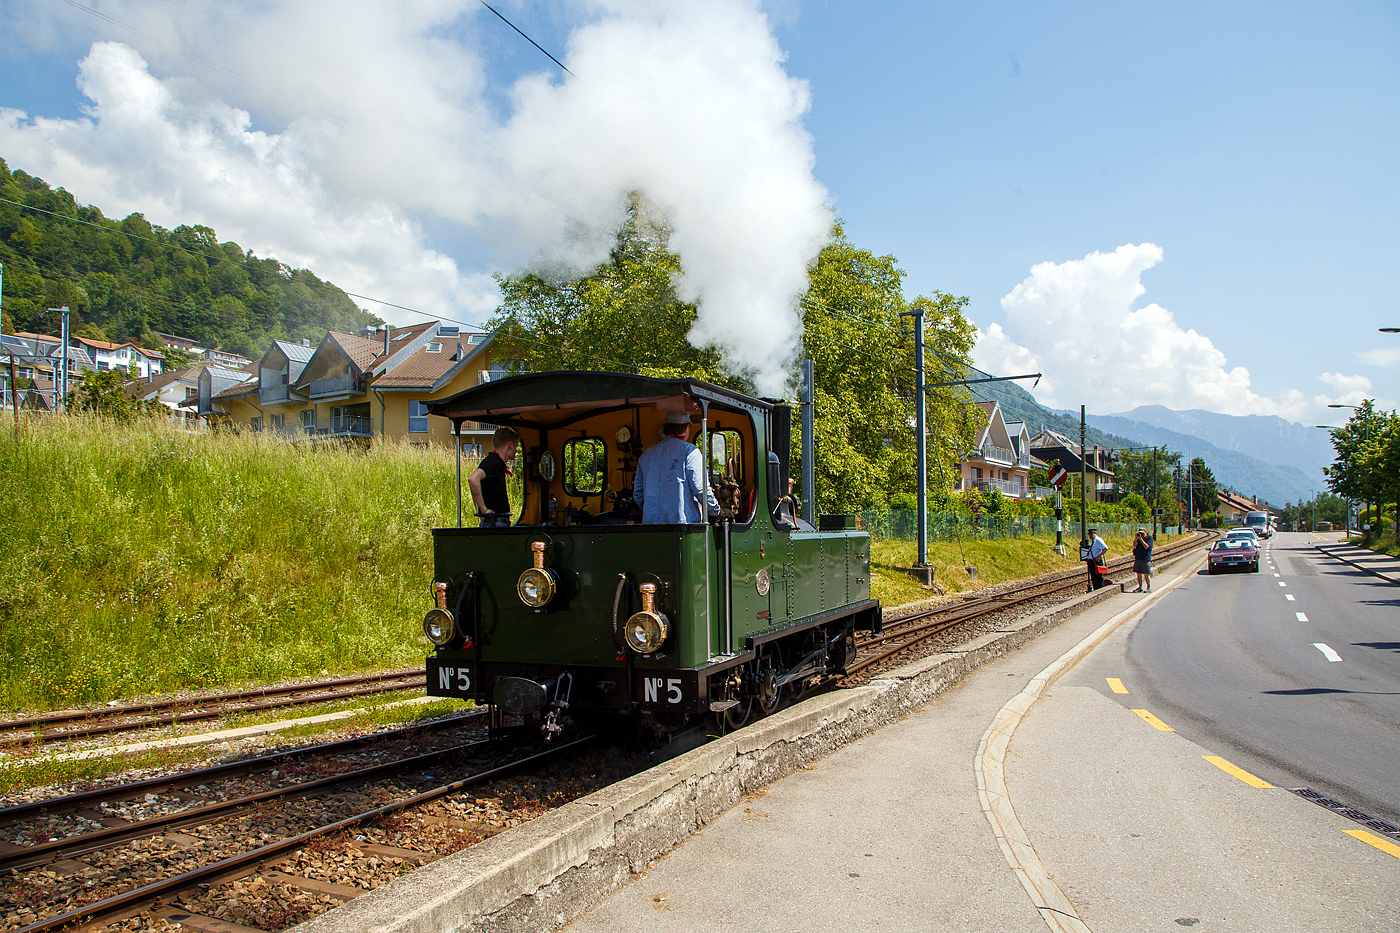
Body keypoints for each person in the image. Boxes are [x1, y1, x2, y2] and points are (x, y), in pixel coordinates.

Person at [634, 410, 722, 524]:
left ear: (665, 429)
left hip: (651, 527)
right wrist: (716, 510)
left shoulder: (646, 455)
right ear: (686, 429)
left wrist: (650, 510)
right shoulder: (689, 452)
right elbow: (700, 489)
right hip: (682, 528)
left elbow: (638, 494)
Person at [468, 426, 520, 528]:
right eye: (516, 447)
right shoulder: (493, 462)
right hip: (495, 523)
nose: (516, 451)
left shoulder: (496, 463)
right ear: (509, 445)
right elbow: (473, 479)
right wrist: (484, 510)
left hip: (495, 522)